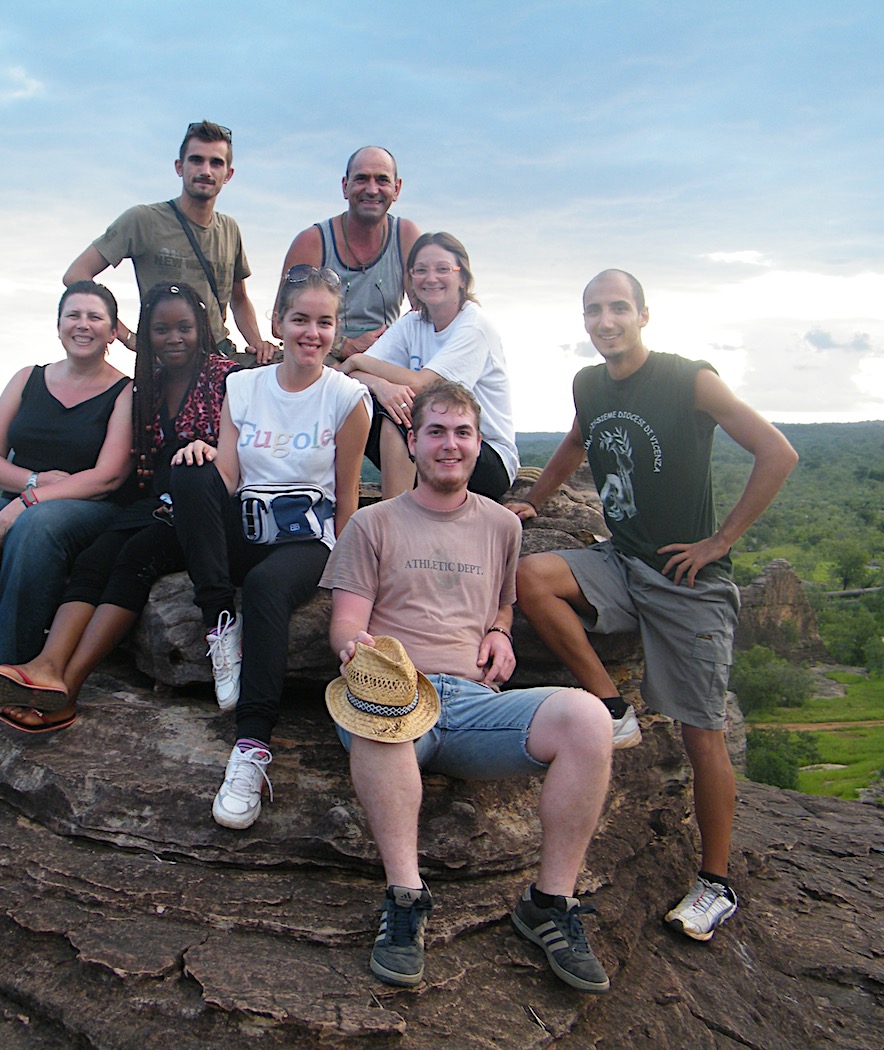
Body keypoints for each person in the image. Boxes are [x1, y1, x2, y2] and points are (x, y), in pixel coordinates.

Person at [513, 269, 798, 943]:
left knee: (703, 732)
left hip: (685, 579)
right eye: (595, 310)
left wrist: (720, 540)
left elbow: (776, 452)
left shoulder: (687, 379)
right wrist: (534, 501)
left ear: (644, 314)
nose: (606, 321)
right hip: (619, 560)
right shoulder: (588, 383)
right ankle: (612, 706)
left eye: (619, 308)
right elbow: (575, 445)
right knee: (530, 577)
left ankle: (715, 884)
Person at [322, 380, 614, 993]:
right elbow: (347, 620)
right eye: (436, 431)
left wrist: (503, 633)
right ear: (412, 440)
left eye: (462, 433)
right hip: (397, 691)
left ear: (479, 444)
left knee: (589, 719)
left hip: (476, 704)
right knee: (377, 718)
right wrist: (356, 651)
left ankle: (549, 904)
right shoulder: (373, 525)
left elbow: (501, 605)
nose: (449, 445)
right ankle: (405, 898)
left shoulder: (502, 525)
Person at [0, 282, 238, 731]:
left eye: (184, 327)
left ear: (202, 328)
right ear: (143, 334)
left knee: (132, 560)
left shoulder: (228, 378)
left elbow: (247, 446)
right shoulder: (147, 387)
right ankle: (45, 666)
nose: (174, 338)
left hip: (200, 511)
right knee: (94, 559)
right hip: (152, 505)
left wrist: (212, 451)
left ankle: (65, 691)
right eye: (161, 329)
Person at [171, 265, 370, 830]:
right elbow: (230, 473)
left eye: (325, 322)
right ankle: (220, 625)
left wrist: (347, 577)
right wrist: (203, 461)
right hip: (247, 524)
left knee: (264, 587)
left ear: (337, 328)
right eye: (300, 319)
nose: (312, 332)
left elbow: (347, 494)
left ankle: (251, 748)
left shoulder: (346, 398)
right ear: (278, 322)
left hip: (306, 540)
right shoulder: (245, 384)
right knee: (189, 470)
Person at [0, 281, 134, 710]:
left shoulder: (125, 391)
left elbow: (110, 476)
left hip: (88, 510)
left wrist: (31, 502)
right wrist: (33, 483)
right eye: (73, 315)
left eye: (95, 317)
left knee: (37, 527)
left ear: (113, 331)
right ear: (58, 325)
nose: (83, 324)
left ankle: (6, 668)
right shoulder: (28, 378)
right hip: (24, 499)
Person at [63, 120, 277, 363]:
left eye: (216, 162)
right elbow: (76, 275)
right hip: (165, 364)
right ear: (179, 167)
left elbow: (239, 298)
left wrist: (257, 344)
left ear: (228, 174)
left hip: (217, 358)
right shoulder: (144, 220)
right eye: (196, 160)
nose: (206, 171)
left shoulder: (229, 229)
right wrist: (128, 337)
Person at [338, 232, 518, 500]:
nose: (431, 278)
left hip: (481, 455)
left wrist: (359, 359)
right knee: (358, 402)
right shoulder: (412, 323)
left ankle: (395, 519)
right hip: (430, 444)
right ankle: (349, 504)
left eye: (443, 269)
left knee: (404, 409)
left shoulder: (474, 326)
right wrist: (380, 384)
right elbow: (348, 375)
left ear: (463, 278)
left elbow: (426, 385)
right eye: (420, 270)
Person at [272, 146, 420, 361]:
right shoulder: (313, 241)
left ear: (396, 189)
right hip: (323, 354)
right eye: (361, 179)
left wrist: (394, 339)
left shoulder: (406, 235)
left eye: (382, 180)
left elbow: (425, 310)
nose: (372, 189)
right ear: (345, 186)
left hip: (385, 355)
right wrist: (344, 345)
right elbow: (280, 322)